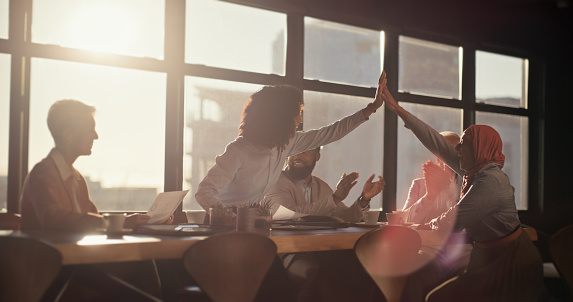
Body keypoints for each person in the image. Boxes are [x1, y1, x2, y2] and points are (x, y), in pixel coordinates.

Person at [380, 76, 543, 301]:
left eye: (462, 145)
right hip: (487, 256)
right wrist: (397, 109)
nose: (457, 151)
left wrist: (423, 224)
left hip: (511, 261)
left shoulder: (490, 181)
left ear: (478, 148)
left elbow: (453, 221)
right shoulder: (472, 169)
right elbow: (434, 141)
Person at [195, 72, 387, 211]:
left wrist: (372, 108)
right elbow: (204, 192)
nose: (300, 120)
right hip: (224, 232)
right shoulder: (239, 150)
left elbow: (332, 133)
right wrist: (230, 218)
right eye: (298, 113)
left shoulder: (287, 144)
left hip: (253, 230)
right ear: (281, 117)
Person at [20, 99, 150, 231]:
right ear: (68, 134)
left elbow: (93, 221)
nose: (96, 136)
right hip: (53, 252)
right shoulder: (42, 173)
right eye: (89, 130)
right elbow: (54, 220)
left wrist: (146, 220)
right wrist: (120, 222)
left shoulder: (77, 179)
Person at [265, 146, 385, 222]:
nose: (298, 156)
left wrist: (363, 198)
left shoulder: (321, 186)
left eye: (304, 152)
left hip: (320, 247)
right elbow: (291, 215)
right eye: (294, 150)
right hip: (290, 249)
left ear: (317, 156)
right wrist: (335, 198)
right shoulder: (275, 181)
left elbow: (345, 217)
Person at [402, 131, 461, 224]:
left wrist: (449, 187)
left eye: (454, 151)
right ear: (436, 156)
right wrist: (429, 196)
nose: (450, 156)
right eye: (444, 150)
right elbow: (404, 220)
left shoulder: (468, 185)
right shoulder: (419, 185)